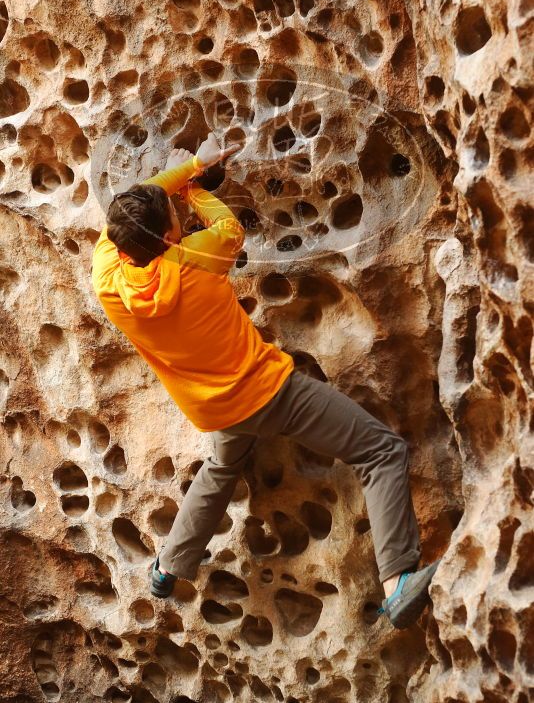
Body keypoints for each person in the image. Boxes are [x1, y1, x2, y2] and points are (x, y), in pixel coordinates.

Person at [91, 132, 440, 630]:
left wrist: (188, 170)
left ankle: (168, 567)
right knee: (381, 450)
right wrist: (194, 179)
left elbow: (134, 214)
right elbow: (227, 224)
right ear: (170, 236)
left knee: (221, 468)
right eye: (170, 215)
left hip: (214, 410)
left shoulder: (107, 275)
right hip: (272, 394)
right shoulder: (204, 259)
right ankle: (398, 582)